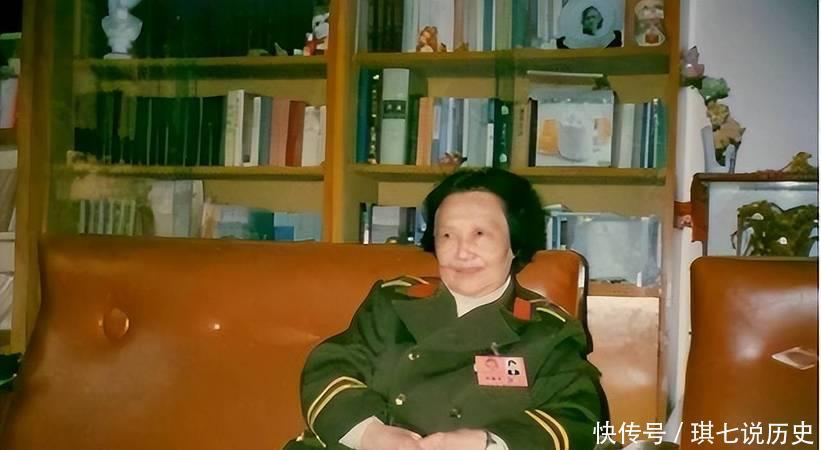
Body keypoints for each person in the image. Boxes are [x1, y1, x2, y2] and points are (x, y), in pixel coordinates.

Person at [284, 168, 606, 450]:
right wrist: (371, 435)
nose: (461, 252)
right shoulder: (392, 302)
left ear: (515, 243)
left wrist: (488, 443)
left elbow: (577, 416)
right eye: (447, 236)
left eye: (479, 234)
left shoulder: (547, 332)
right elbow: (331, 370)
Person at [557, 4, 622, 49]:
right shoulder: (571, 41)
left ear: (600, 19)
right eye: (588, 18)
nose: (591, 20)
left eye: (594, 17)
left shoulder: (612, 39)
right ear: (583, 21)